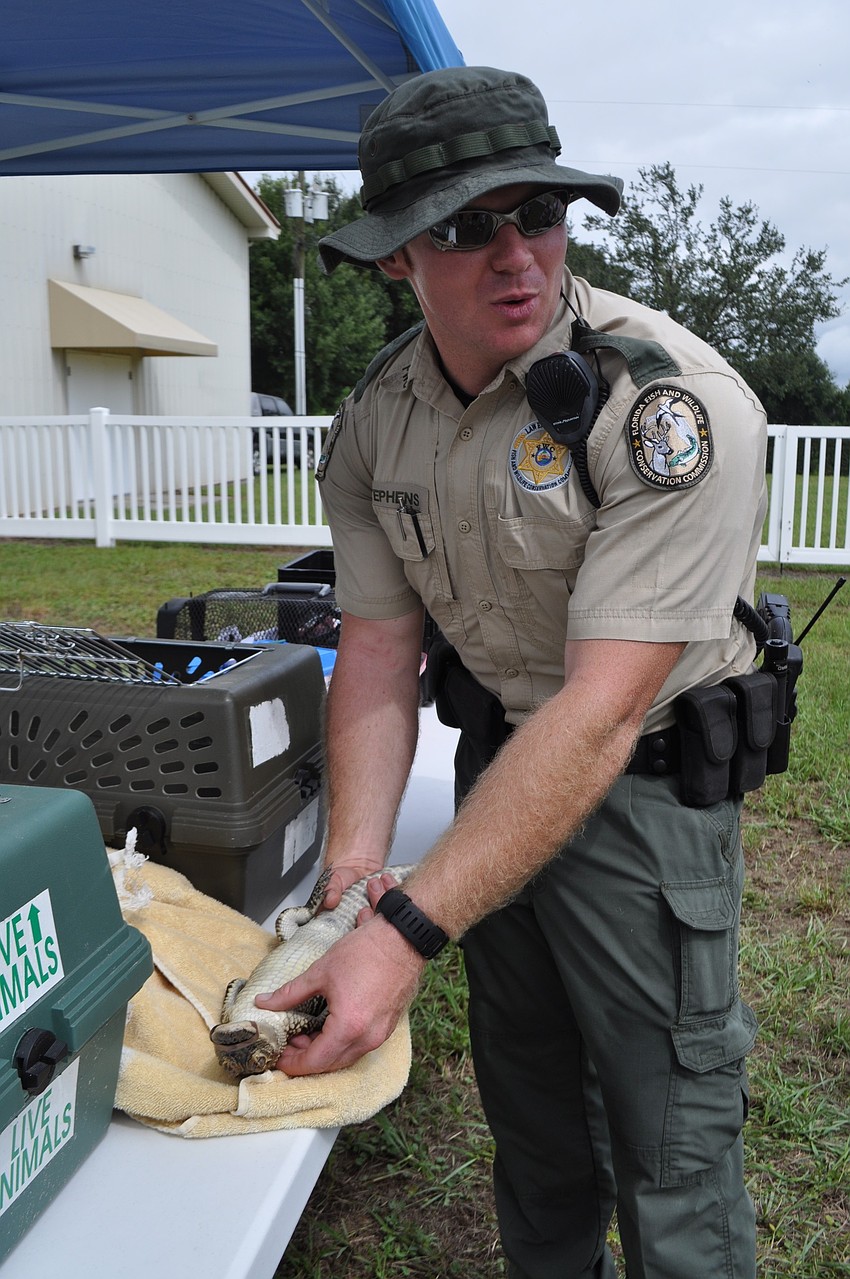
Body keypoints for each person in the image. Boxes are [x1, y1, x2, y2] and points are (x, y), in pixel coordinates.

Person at [255, 65, 767, 1279]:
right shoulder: (381, 418)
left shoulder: (665, 405)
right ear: (395, 258)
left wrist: (406, 928)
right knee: (532, 1123)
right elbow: (377, 649)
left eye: (536, 212)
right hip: (495, 763)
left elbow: (603, 706)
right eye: (463, 227)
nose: (515, 255)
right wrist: (354, 882)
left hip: (639, 790)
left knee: (672, 1147)